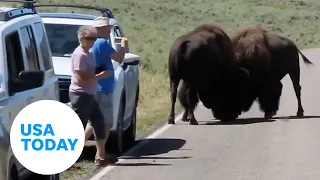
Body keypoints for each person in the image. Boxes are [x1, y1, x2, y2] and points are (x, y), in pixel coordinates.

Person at [84, 16, 128, 161]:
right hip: (104, 88)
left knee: (94, 122)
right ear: (101, 29)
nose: (109, 29)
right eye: (107, 27)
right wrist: (123, 45)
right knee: (106, 122)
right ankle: (99, 154)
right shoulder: (102, 43)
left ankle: (98, 154)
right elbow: (119, 57)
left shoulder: (90, 44)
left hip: (93, 87)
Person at [69, 25, 111, 166]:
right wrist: (100, 76)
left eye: (94, 38)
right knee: (77, 127)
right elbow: (82, 78)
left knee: (99, 123)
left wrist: (99, 71)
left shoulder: (89, 53)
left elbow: (90, 71)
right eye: (89, 38)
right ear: (81, 39)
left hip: (89, 95)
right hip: (81, 95)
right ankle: (68, 159)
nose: (92, 41)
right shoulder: (79, 55)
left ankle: (101, 157)